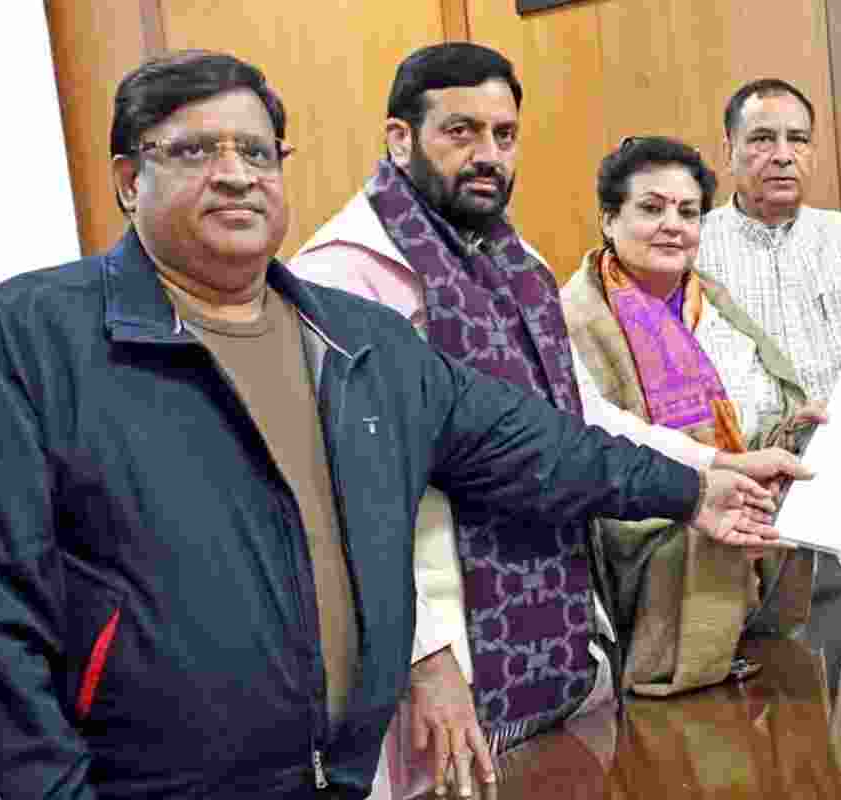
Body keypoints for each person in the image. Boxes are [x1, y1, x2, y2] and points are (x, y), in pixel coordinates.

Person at [0, 49, 782, 799]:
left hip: (333, 776)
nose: (235, 175)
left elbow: (540, 441)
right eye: (192, 151)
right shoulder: (32, 335)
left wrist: (692, 489)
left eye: (256, 152)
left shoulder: (356, 342)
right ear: (126, 179)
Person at [290, 44, 808, 796]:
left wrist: (711, 468)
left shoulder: (513, 259)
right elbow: (339, 495)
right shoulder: (345, 272)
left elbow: (575, 415)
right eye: (460, 132)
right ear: (399, 139)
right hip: (441, 660)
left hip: (556, 629)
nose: (488, 156)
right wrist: (423, 659)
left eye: (504, 134)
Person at [560, 136, 828, 697]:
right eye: (651, 209)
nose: (673, 226)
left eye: (688, 212)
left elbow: (758, 399)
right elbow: (592, 427)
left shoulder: (711, 300)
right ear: (609, 219)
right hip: (633, 512)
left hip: (737, 480)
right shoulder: (574, 315)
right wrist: (720, 469)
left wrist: (793, 422)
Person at [697, 77, 841, 689]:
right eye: (762, 138)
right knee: (760, 673)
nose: (782, 154)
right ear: (728, 149)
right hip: (746, 486)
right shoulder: (690, 241)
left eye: (797, 139)